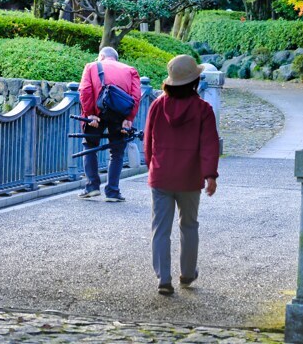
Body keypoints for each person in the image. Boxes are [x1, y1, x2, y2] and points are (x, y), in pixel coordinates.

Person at [143, 54, 220, 296]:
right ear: (195, 82)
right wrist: (210, 175)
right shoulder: (203, 109)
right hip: (189, 178)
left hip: (161, 175)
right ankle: (187, 274)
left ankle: (163, 279)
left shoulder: (157, 105)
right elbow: (209, 144)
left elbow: (148, 140)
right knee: (189, 226)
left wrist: (152, 166)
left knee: (160, 229)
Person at [77, 46, 142, 202]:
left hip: (97, 113)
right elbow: (136, 96)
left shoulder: (92, 66)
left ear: (101, 56)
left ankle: (92, 187)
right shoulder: (130, 70)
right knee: (117, 153)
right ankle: (112, 192)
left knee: (90, 146)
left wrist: (89, 113)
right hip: (120, 115)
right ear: (115, 58)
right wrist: (129, 118)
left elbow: (85, 90)